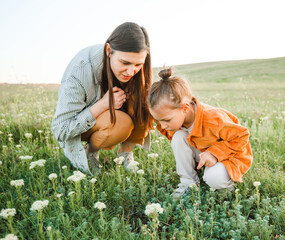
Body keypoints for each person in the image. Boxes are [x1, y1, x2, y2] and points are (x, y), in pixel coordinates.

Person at [52, 22, 153, 175]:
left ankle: (125, 153)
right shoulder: (80, 70)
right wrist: (103, 105)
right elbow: (60, 130)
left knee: (145, 100)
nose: (132, 71)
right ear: (108, 50)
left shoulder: (136, 70)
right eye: (125, 63)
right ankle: (89, 152)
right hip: (83, 124)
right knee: (121, 123)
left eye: (138, 64)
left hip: (108, 115)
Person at [148, 68, 253, 198]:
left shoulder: (213, 118)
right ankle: (189, 183)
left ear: (185, 108)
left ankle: (226, 187)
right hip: (205, 154)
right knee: (178, 137)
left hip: (230, 155)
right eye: (158, 120)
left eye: (166, 120)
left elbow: (241, 136)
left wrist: (214, 154)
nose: (162, 126)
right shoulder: (176, 118)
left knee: (213, 178)